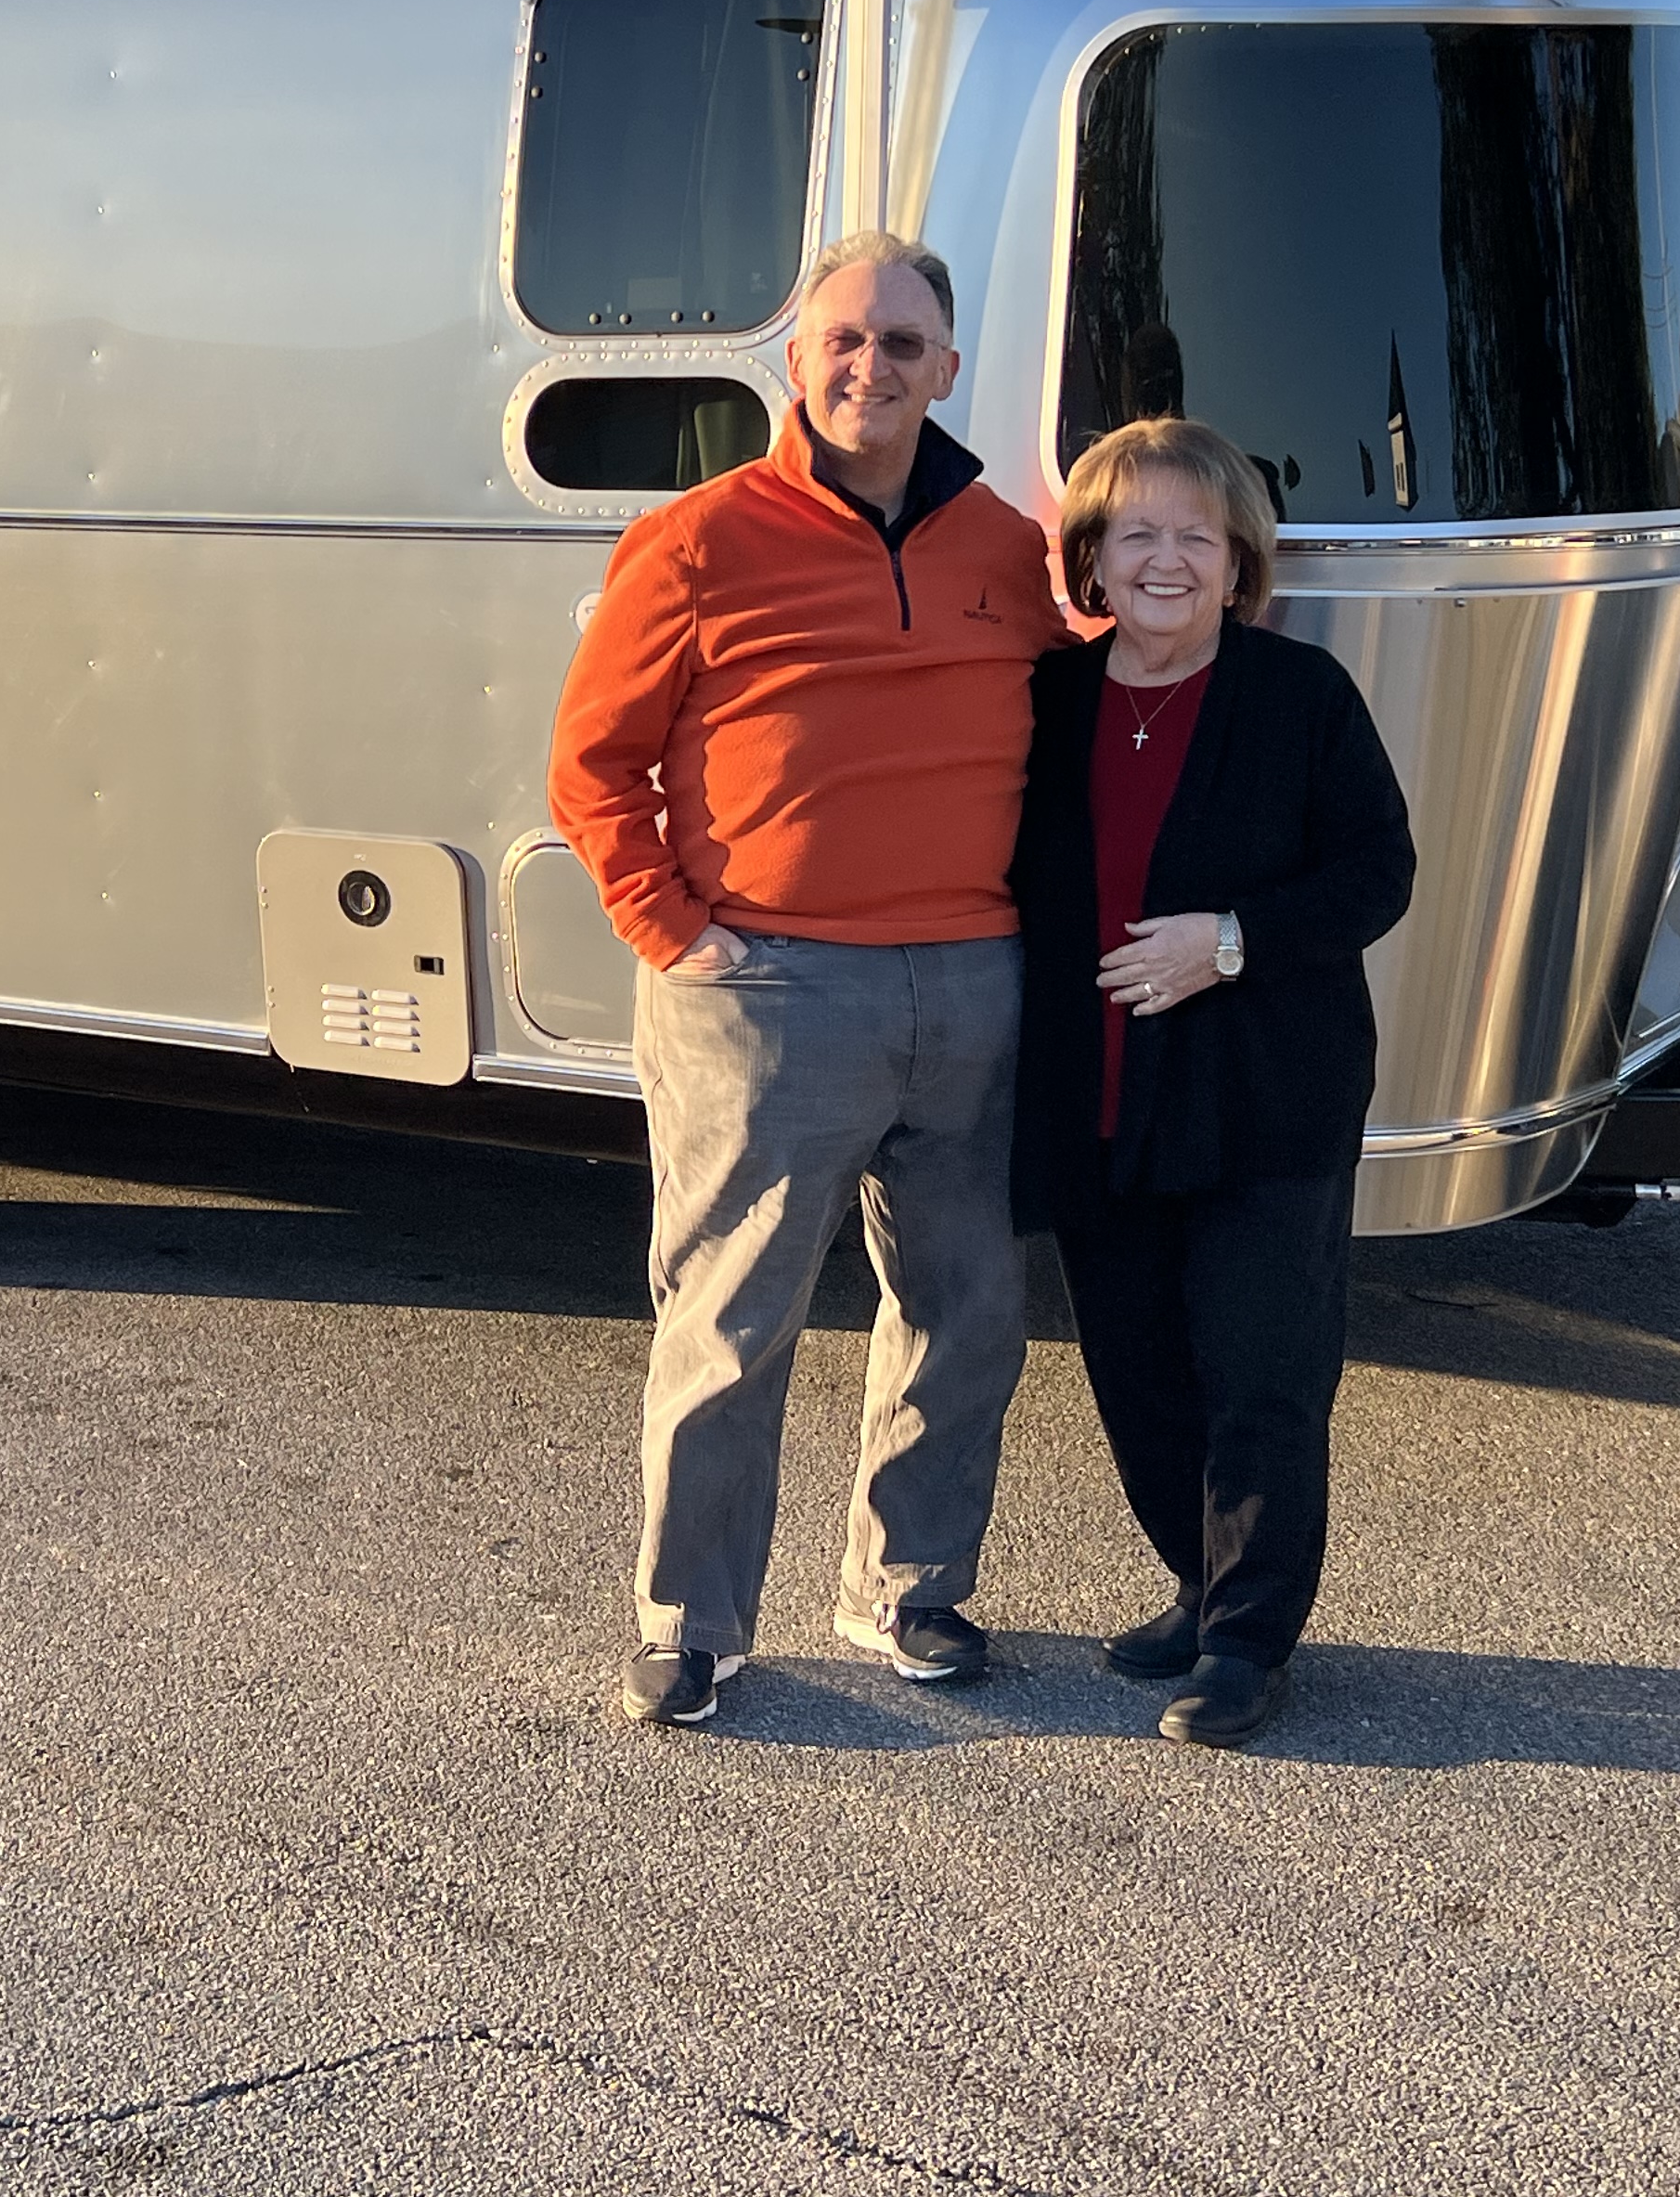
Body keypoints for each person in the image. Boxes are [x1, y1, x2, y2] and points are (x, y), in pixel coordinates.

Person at [549, 231, 1066, 1729]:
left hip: (973, 986)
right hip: (769, 989)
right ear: (797, 361)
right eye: (845, 338)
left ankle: (908, 1592)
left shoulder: (1004, 550)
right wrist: (672, 931)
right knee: (732, 1317)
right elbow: (592, 765)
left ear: (948, 370)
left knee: (967, 1310)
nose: (870, 366)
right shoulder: (699, 541)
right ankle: (689, 1624)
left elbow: (1084, 689)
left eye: (902, 344)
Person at [1010, 418, 1414, 1750]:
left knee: (1261, 1371)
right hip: (1099, 1094)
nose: (1166, 559)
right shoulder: (1051, 699)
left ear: (1240, 562)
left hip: (1264, 1098)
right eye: (1136, 533)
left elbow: (1378, 872)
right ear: (1092, 559)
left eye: (1198, 535)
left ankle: (1247, 1641)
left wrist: (1229, 942)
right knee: (1136, 1368)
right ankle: (1197, 1584)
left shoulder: (1300, 696)